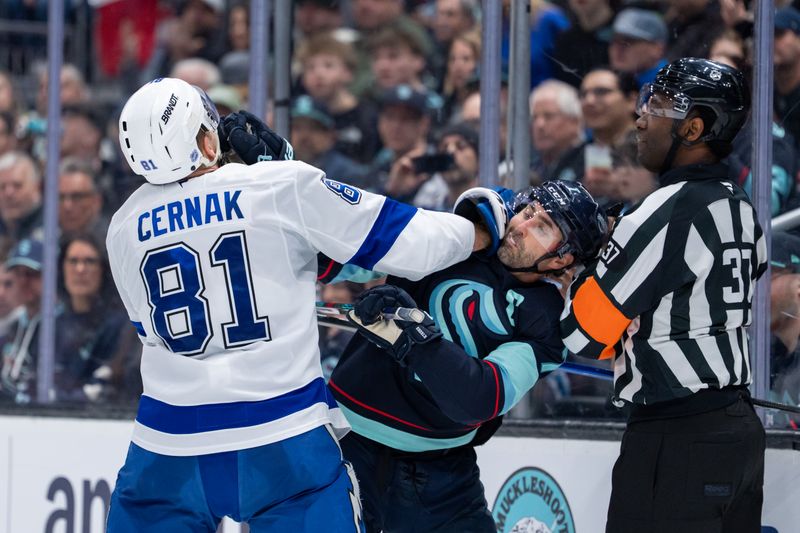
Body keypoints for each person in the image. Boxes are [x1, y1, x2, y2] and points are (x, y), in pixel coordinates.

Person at [104, 77, 494, 532]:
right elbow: (412, 244)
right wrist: (484, 227)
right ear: (208, 138)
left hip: (166, 451)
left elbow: (148, 329)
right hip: (282, 440)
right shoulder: (279, 184)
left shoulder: (122, 227)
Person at [323, 181, 607, 532]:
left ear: (562, 258)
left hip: (441, 474)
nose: (521, 226)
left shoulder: (546, 323)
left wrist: (416, 337)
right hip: (346, 443)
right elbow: (344, 255)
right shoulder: (458, 237)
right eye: (528, 212)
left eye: (542, 227)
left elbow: (479, 398)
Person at [561, 58, 767, 531]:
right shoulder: (739, 206)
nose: (640, 116)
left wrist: (584, 268)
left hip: (676, 438)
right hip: (738, 432)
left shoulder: (662, 213)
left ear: (694, 127)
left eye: (656, 104)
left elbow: (584, 335)